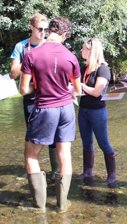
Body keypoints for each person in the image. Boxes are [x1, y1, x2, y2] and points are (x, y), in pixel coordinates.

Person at [19, 16, 81, 213]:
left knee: (31, 155)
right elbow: (77, 90)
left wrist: (37, 85)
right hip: (66, 109)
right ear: (63, 34)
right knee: (65, 155)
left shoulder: (32, 55)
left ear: (50, 30)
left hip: (45, 108)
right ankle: (62, 205)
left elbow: (23, 89)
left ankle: (39, 205)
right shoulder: (71, 56)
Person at [10, 13, 60, 181]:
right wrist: (30, 60)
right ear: (31, 27)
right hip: (30, 97)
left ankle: (56, 172)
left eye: (46, 29)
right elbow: (13, 73)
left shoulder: (50, 45)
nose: (43, 33)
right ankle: (33, 172)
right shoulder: (21, 47)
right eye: (40, 29)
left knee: (55, 135)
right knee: (32, 135)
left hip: (50, 95)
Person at [78, 38, 116, 188]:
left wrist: (80, 85)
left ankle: (112, 177)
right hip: (83, 110)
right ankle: (88, 172)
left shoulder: (103, 69)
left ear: (91, 51)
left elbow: (97, 92)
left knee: (103, 143)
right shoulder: (84, 68)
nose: (81, 51)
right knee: (86, 142)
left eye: (83, 48)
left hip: (97, 111)